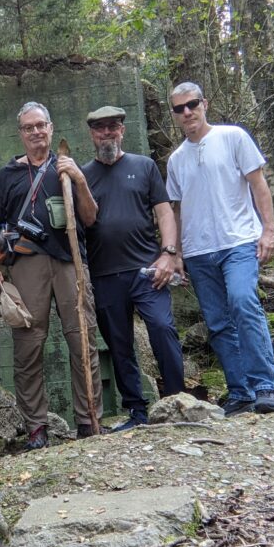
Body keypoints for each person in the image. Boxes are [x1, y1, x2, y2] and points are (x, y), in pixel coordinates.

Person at [0, 101, 103, 447]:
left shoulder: (67, 168)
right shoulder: (8, 175)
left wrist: (78, 179)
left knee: (82, 340)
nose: (36, 132)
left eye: (41, 125)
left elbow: (90, 217)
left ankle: (89, 420)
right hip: (27, 264)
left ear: (51, 128)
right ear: (21, 133)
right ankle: (36, 426)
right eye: (28, 127)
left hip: (69, 262)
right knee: (28, 344)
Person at [165, 82, 274, 416]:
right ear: (174, 114)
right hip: (199, 251)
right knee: (217, 322)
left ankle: (265, 386)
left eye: (192, 104)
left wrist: (268, 231)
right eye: (179, 108)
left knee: (243, 302)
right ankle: (240, 392)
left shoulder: (233, 137)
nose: (187, 112)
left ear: (205, 103)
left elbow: (259, 185)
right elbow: (175, 208)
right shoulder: (176, 160)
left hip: (239, 241)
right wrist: (175, 254)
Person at [82, 105, 185, 431]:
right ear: (92, 135)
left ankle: (176, 401)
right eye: (100, 129)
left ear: (122, 130)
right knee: (119, 344)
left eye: (113, 127)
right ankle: (137, 412)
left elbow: (165, 212)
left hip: (147, 270)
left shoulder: (144, 166)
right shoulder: (82, 176)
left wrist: (169, 254)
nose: (107, 133)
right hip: (104, 275)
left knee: (162, 328)